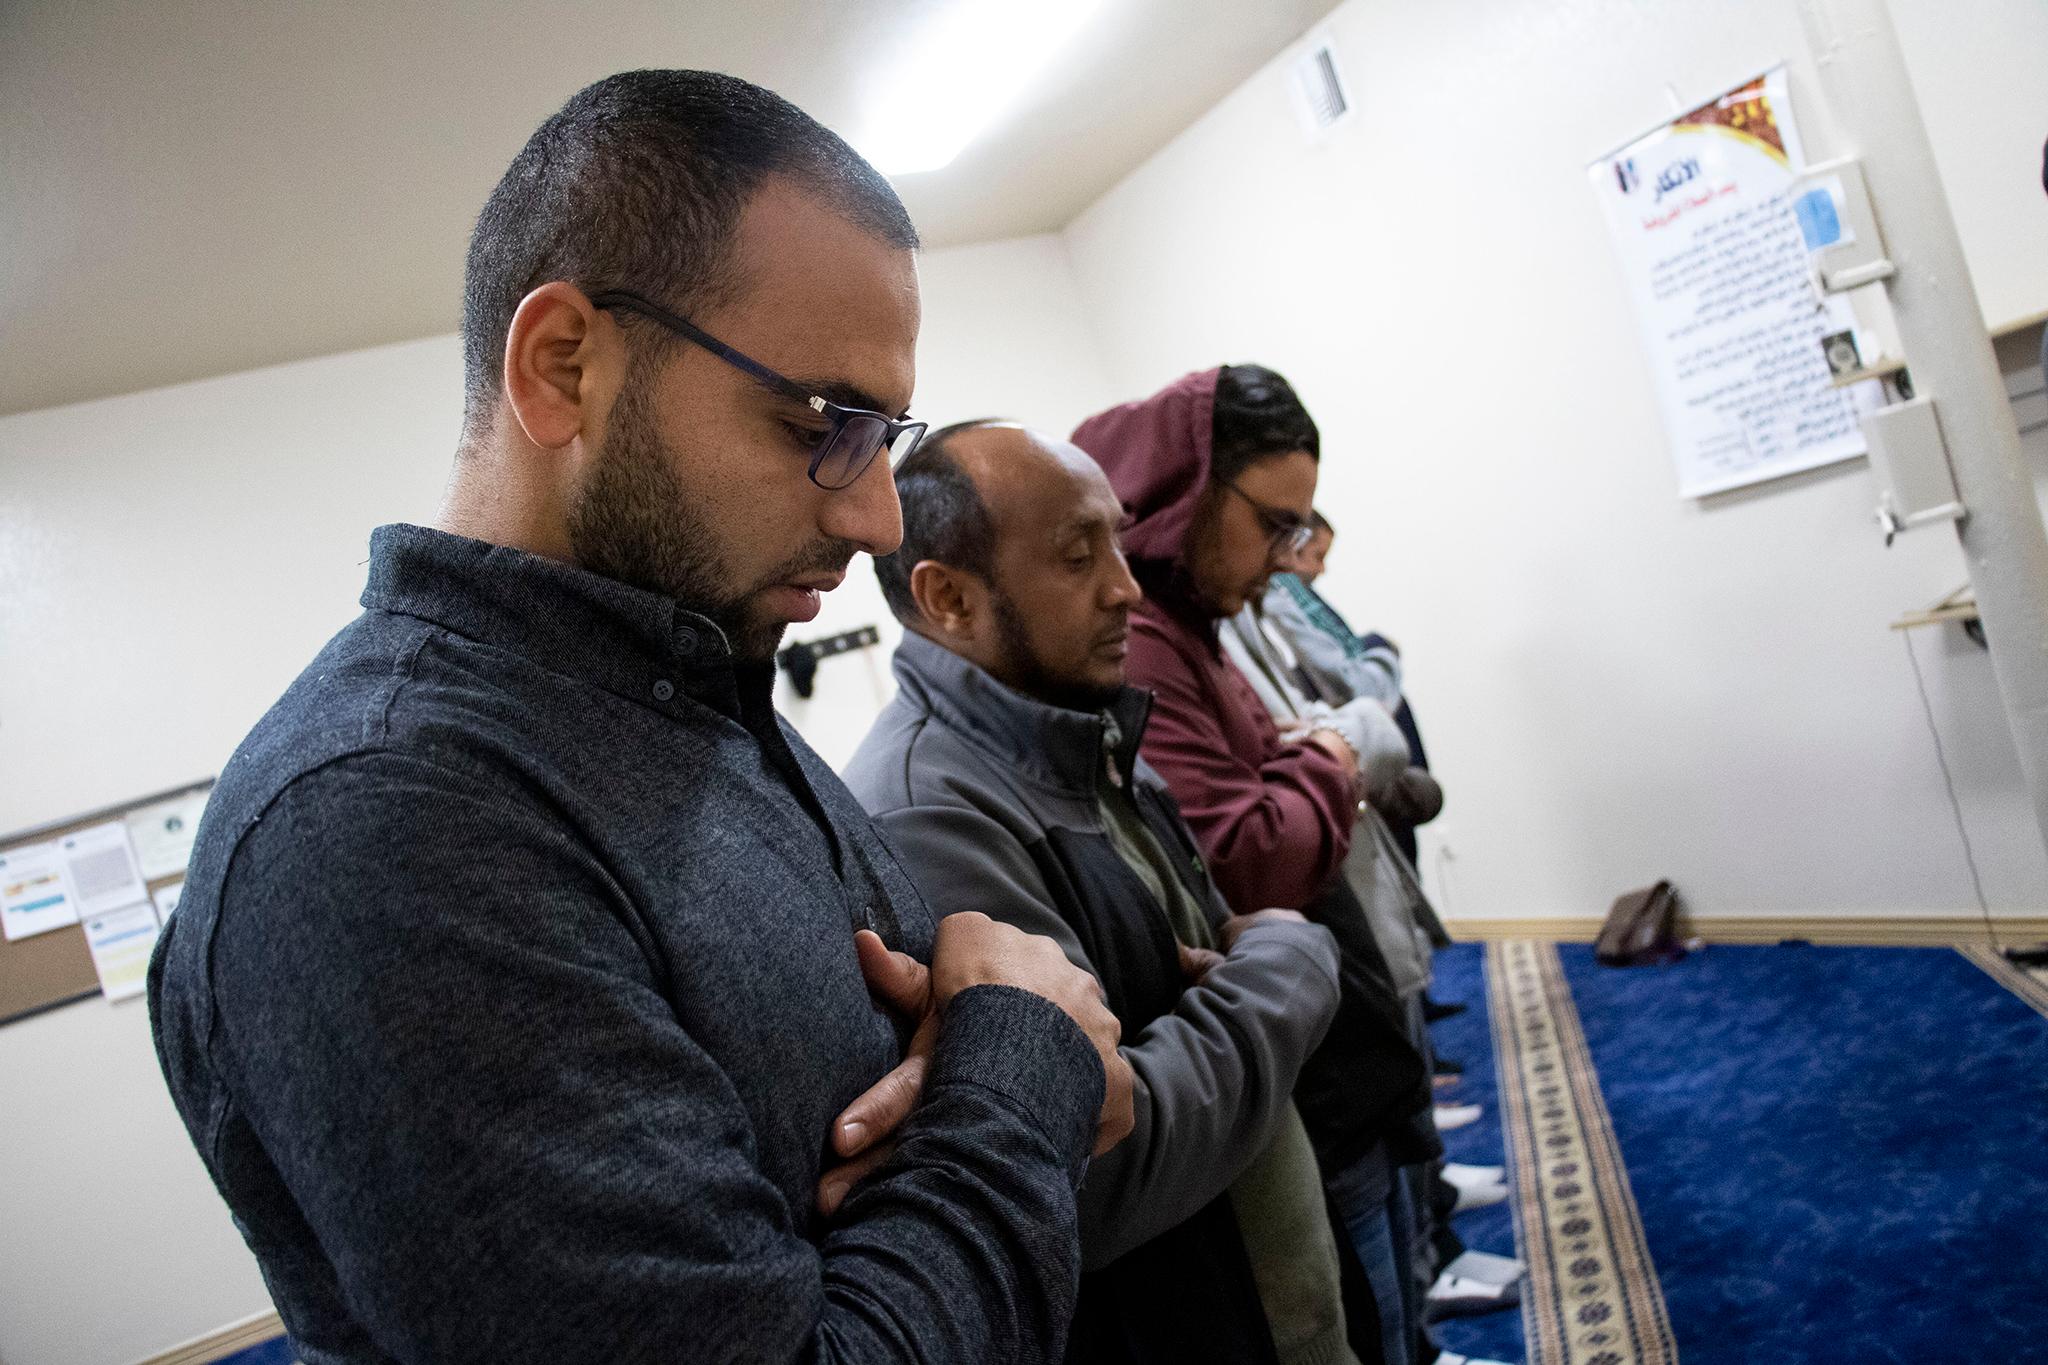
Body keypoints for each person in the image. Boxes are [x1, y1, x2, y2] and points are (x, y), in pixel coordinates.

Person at [149, 70, 1135, 1365]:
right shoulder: (378, 819)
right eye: (824, 424)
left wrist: (980, 1030)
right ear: (564, 366)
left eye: (883, 437)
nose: (878, 519)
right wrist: (1026, 1062)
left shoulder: (690, 670)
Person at [844, 421, 1365, 1365]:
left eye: (1118, 543)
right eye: (1081, 556)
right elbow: (1087, 1162)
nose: (1126, 586)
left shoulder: (1086, 729)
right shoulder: (927, 812)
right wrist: (1289, 964)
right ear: (950, 597)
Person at [1069, 366, 1449, 1365]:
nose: (1288, 562)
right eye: (1273, 525)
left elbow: (1274, 769)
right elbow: (1247, 858)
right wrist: (1324, 760)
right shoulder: (1144, 638)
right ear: (1191, 488)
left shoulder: (1191, 620)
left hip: (1328, 1045)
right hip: (1298, 1075)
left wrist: (1299, 761)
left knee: (1394, 1290)